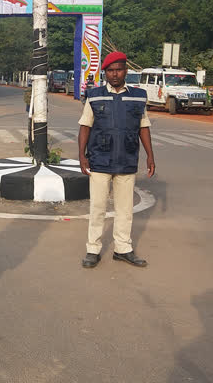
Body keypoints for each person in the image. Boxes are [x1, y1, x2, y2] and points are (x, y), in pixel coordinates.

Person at [78, 51, 155, 269]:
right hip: (99, 159)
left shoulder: (138, 96)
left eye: (119, 69)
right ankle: (93, 249)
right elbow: (85, 126)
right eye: (110, 70)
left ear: (125, 71)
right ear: (105, 72)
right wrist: (82, 155)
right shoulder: (94, 95)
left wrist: (150, 155)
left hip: (127, 159)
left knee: (125, 208)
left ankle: (123, 249)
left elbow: (144, 127)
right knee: (98, 207)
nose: (115, 74)